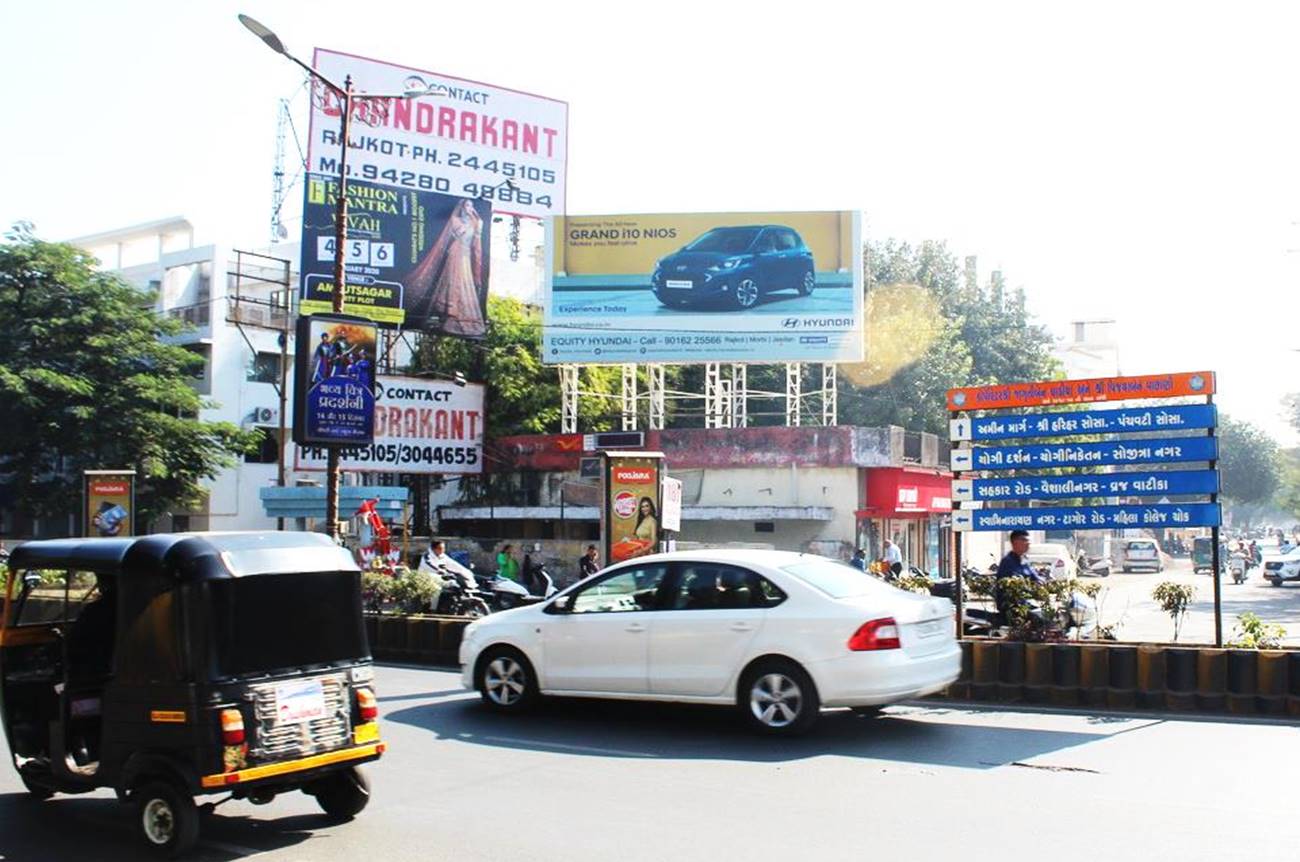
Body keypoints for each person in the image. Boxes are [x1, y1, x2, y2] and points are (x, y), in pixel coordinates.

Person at [407, 199, 486, 337]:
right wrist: (469, 223)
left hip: (466, 255)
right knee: (455, 282)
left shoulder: (474, 223)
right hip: (456, 252)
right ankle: (449, 314)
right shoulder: (455, 220)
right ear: (462, 207)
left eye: (472, 206)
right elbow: (459, 233)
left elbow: (476, 240)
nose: (470, 208)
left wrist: (478, 223)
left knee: (465, 284)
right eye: (467, 205)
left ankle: (461, 317)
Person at [994, 530, 1047, 618]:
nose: (1028, 543)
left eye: (1028, 540)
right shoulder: (1007, 562)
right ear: (1015, 542)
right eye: (1024, 540)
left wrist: (1045, 582)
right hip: (1013, 607)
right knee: (1040, 620)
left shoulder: (1024, 560)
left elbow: (1036, 578)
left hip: (1026, 603)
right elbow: (1010, 586)